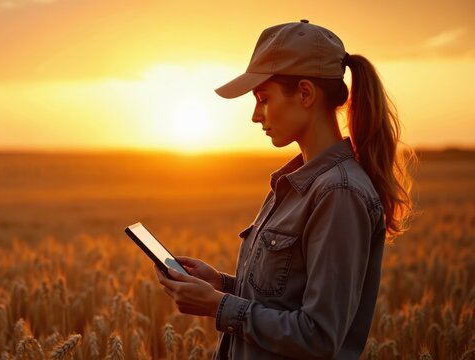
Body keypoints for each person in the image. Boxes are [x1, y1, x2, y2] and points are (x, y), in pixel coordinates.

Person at [154, 19, 414, 359]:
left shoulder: (339, 193)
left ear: (305, 93)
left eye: (263, 98)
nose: (255, 115)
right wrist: (221, 285)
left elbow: (319, 336)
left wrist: (218, 306)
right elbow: (285, 298)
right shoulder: (296, 184)